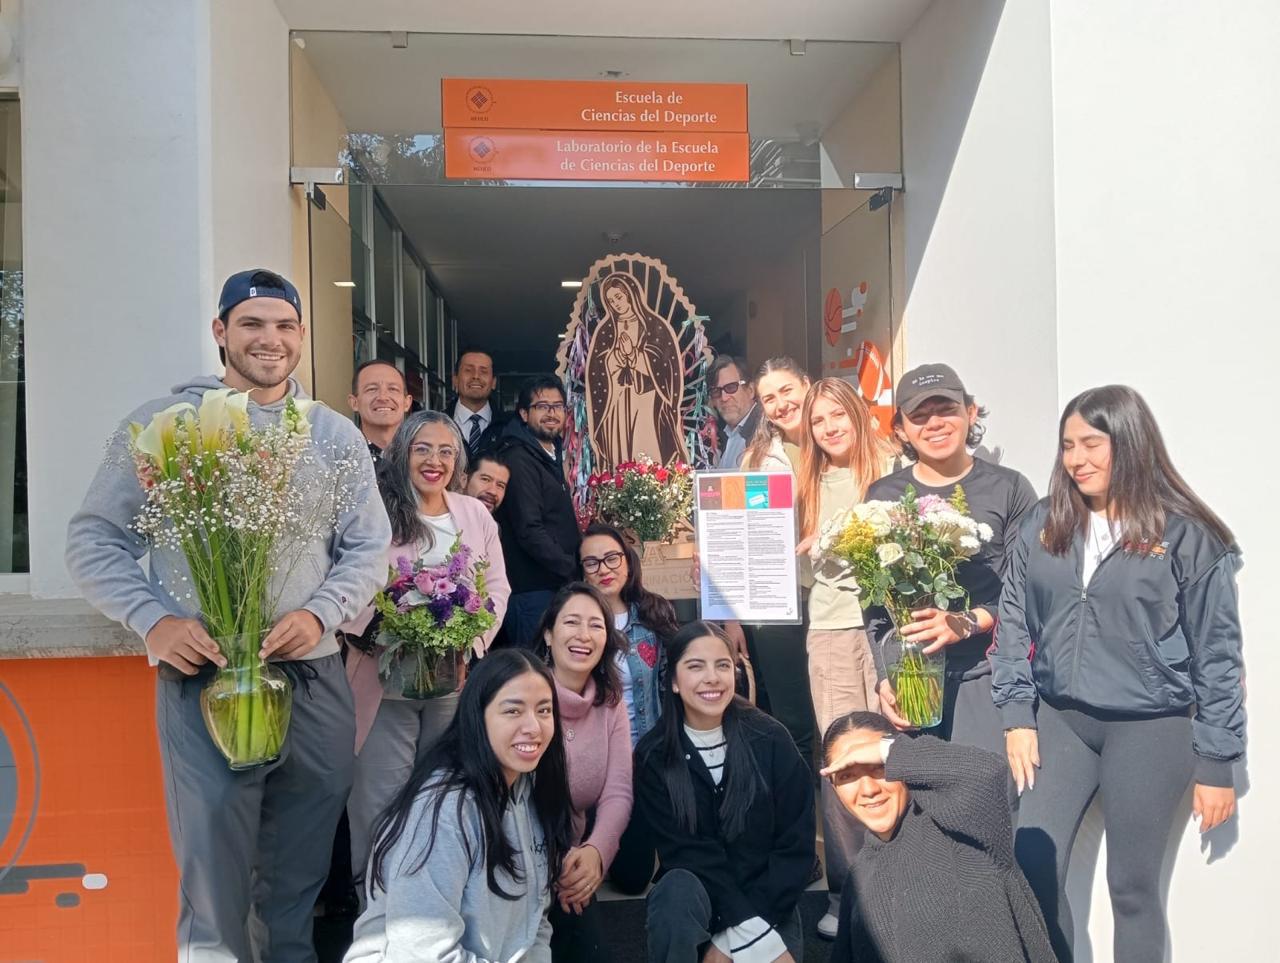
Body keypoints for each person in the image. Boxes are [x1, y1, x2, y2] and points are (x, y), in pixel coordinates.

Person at [66, 268, 392, 962]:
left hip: (313, 680)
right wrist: (153, 619)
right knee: (216, 888)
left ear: (302, 335)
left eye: (283, 325)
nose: (269, 339)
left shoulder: (331, 434)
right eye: (251, 324)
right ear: (221, 332)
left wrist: (322, 613)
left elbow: (370, 546)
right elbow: (93, 537)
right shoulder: (163, 426)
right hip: (207, 683)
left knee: (297, 882)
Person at [993, 384, 1245, 963]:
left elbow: (1218, 653)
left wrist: (1217, 761)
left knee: (1131, 888)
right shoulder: (1042, 523)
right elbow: (1012, 623)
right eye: (1067, 446)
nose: (1076, 459)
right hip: (1061, 719)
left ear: (1128, 443)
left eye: (1091, 444)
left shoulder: (1183, 534)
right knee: (1032, 865)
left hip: (1152, 728)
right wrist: (1016, 716)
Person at [342, 411, 510, 884]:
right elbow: (349, 580)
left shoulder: (473, 514)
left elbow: (497, 587)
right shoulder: (374, 508)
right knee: (380, 805)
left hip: (449, 686)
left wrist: (469, 639)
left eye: (446, 451)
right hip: (382, 686)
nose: (434, 461)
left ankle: (432, 910)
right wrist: (390, 627)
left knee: (442, 796)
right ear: (403, 454)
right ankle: (375, 916)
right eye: (422, 449)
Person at [343, 649, 574, 963]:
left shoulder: (530, 789)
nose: (533, 726)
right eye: (513, 711)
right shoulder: (445, 810)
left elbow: (536, 922)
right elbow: (420, 952)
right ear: (478, 717)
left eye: (544, 710)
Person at [866, 364, 1037, 758]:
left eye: (947, 409)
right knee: (918, 806)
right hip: (914, 679)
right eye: (920, 416)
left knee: (982, 797)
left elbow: (1027, 590)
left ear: (971, 413)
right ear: (901, 430)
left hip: (984, 674)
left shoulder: (1009, 488)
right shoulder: (883, 495)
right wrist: (884, 678)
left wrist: (964, 622)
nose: (935, 424)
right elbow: (874, 606)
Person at [637, 621, 814, 963]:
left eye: (722, 665)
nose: (712, 678)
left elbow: (796, 844)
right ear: (673, 681)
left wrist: (741, 935)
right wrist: (738, 926)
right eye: (695, 666)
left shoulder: (770, 738)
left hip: (768, 902)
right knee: (675, 891)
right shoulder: (653, 756)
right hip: (701, 901)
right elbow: (687, 853)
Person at [820, 712, 1055, 963]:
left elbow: (986, 773)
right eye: (848, 775)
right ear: (834, 788)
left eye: (879, 767)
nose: (868, 789)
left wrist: (889, 749)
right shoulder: (859, 876)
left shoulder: (962, 829)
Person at [794, 377, 889, 938]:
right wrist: (807, 552)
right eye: (818, 422)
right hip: (830, 628)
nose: (829, 429)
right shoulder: (808, 481)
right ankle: (843, 892)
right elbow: (801, 573)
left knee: (893, 749)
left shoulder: (890, 472)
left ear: (856, 414)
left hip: (888, 625)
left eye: (838, 416)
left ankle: (895, 879)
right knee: (841, 759)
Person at [577, 522, 679, 897]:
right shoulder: (576, 624)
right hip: (597, 764)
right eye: (591, 563)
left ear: (628, 562)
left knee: (637, 876)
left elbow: (674, 688)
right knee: (620, 872)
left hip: (647, 757)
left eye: (611, 558)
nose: (604, 569)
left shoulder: (654, 614)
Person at [535, 583, 633, 963]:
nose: (583, 635)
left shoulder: (611, 700)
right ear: (548, 633)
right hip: (516, 857)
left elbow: (618, 790)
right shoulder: (523, 691)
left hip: (571, 865)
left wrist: (596, 853)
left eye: (596, 625)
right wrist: (553, 859)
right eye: (571, 622)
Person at [730, 357, 818, 776]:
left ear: (807, 385)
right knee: (791, 713)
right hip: (777, 600)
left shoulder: (842, 444)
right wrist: (730, 612)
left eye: (787, 391)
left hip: (837, 598)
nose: (781, 404)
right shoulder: (757, 458)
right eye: (770, 397)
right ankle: (802, 817)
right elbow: (741, 534)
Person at [495, 375, 581, 649]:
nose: (552, 413)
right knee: (533, 673)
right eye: (542, 406)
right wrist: (573, 568)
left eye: (557, 406)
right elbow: (529, 530)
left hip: (552, 587)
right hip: (533, 593)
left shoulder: (549, 452)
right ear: (523, 413)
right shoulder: (518, 458)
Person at [586, 272, 687, 470]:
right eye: (610, 301)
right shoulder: (606, 330)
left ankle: (652, 491)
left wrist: (633, 355)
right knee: (619, 452)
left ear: (630, 294)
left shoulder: (655, 326)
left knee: (648, 451)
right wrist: (615, 357)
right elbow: (597, 370)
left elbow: (665, 365)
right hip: (615, 400)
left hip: (647, 399)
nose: (615, 304)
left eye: (618, 297)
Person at [348, 359, 412, 464]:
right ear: (354, 403)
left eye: (393, 389)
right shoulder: (341, 456)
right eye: (372, 389)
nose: (383, 397)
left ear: (407, 403)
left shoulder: (422, 455)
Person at [449, 348, 506, 459]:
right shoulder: (437, 423)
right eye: (468, 370)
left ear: (493, 382)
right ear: (455, 380)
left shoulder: (508, 428)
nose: (476, 376)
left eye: (483, 371)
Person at [707, 354, 761, 470]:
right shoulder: (729, 435)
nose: (724, 397)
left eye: (731, 387)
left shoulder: (765, 430)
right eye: (716, 391)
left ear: (751, 390)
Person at [464, 449, 512, 515]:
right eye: (485, 479)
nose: (493, 492)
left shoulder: (493, 525)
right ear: (464, 480)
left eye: (500, 485)